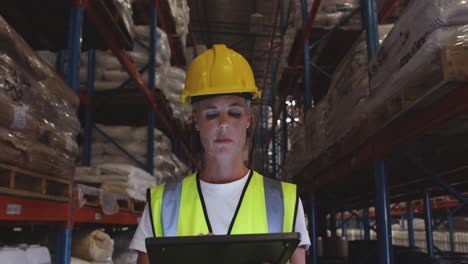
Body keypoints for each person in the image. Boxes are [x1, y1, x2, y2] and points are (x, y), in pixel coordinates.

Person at [130, 44, 310, 264]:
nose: (224, 124)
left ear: (248, 118)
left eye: (234, 113)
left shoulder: (284, 201)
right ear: (196, 120)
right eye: (211, 114)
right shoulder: (162, 204)